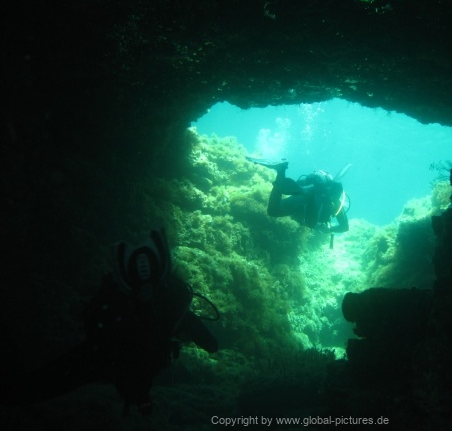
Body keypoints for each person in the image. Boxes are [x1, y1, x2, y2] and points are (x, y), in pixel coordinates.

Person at [0, 229, 218, 416]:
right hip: (107, 360)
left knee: (22, 392)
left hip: (101, 357)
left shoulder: (132, 295)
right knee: (19, 394)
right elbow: (211, 344)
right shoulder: (173, 305)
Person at [247, 157, 350, 235]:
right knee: (311, 223)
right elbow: (345, 227)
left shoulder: (332, 201)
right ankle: (304, 191)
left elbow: (345, 227)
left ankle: (281, 170)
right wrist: (330, 229)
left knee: (273, 211)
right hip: (305, 205)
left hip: (301, 200)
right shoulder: (335, 203)